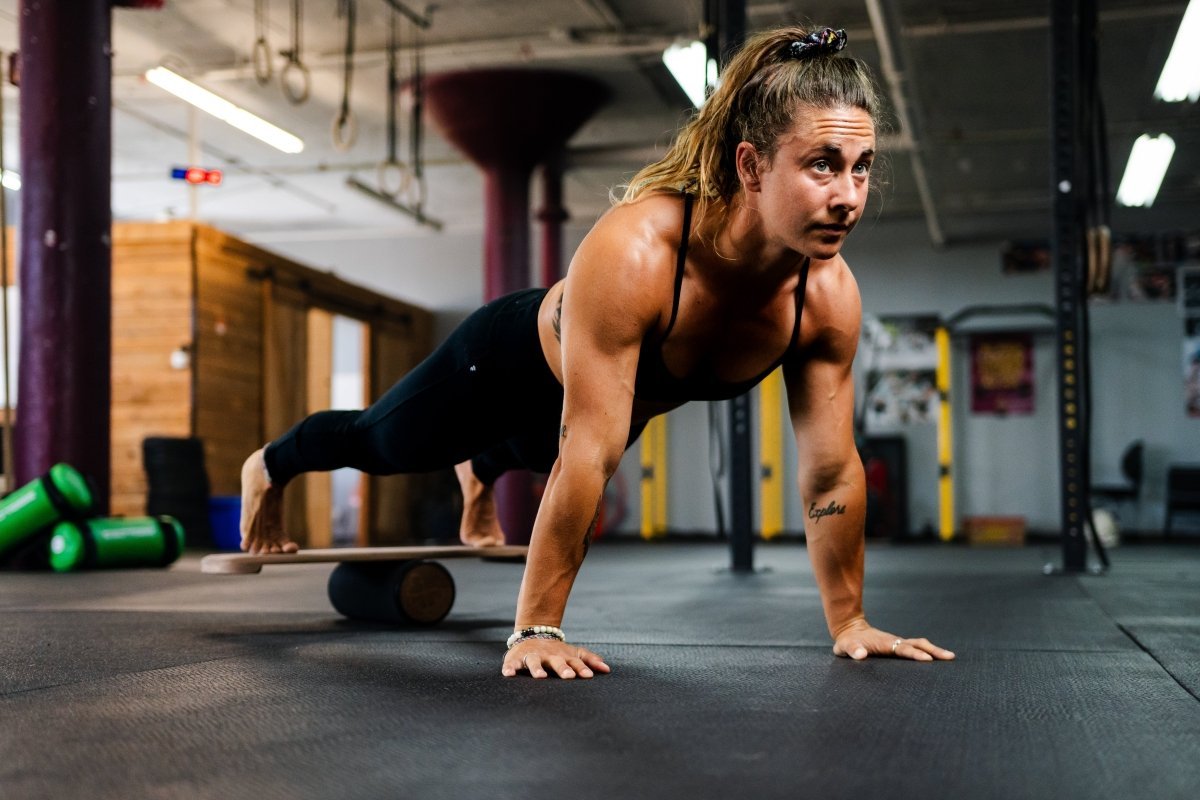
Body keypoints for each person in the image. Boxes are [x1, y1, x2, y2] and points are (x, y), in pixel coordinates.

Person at [239, 24, 956, 679]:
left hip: (605, 401)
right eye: (823, 164)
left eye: (861, 167)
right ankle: (270, 465)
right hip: (507, 358)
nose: (848, 196)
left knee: (538, 452)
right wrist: (535, 629)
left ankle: (481, 472)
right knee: (388, 444)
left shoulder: (824, 298)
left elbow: (831, 471)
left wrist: (850, 621)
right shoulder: (639, 252)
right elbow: (590, 451)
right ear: (751, 166)